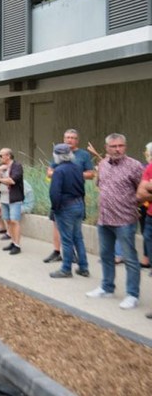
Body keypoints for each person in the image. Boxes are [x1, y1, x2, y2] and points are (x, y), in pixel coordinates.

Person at [86, 133, 144, 310]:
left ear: (125, 146)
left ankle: (132, 295)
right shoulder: (102, 164)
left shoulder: (134, 166)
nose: (118, 149)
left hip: (125, 220)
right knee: (106, 256)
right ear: (107, 148)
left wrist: (132, 205)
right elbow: (100, 186)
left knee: (130, 258)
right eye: (114, 146)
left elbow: (142, 191)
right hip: (104, 219)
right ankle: (107, 287)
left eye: (121, 146)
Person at [44, 129, 95, 264]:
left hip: (75, 196)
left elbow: (91, 174)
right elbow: (49, 172)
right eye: (67, 137)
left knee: (75, 231)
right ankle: (57, 252)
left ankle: (71, 259)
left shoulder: (83, 155)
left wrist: (71, 174)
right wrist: (64, 173)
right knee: (56, 224)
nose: (69, 140)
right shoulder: (59, 152)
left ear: (77, 140)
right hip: (59, 195)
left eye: (72, 138)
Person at [48, 144, 90, 279]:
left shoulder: (59, 171)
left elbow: (55, 192)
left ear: (57, 156)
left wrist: (55, 208)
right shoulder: (78, 168)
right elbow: (82, 189)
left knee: (66, 240)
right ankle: (83, 267)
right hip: (78, 204)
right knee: (78, 238)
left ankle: (66, 269)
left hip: (65, 207)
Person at [0, 148, 24, 255]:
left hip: (14, 198)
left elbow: (12, 181)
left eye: (0, 155)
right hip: (3, 198)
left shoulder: (17, 166)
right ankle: (12, 241)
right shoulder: (1, 167)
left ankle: (17, 245)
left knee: (15, 221)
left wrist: (0, 179)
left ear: (8, 156)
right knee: (8, 220)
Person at [136, 142, 152, 319]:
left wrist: (149, 187)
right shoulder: (149, 168)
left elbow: (146, 189)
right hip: (150, 217)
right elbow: (140, 194)